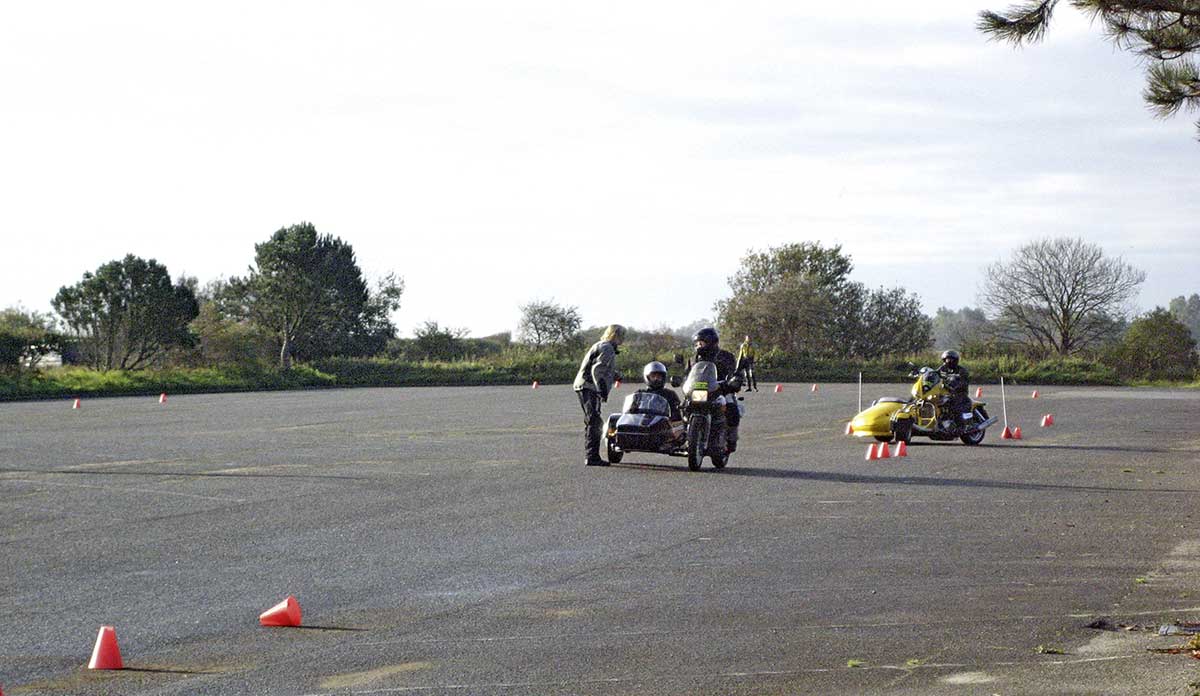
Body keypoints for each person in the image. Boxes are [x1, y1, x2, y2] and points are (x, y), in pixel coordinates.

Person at [573, 324, 626, 466]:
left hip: (585, 385)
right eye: (622, 336)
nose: (623, 340)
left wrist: (616, 375)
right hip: (588, 386)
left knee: (593, 420)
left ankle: (592, 455)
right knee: (595, 421)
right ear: (616, 335)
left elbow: (600, 367)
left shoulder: (603, 346)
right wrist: (601, 389)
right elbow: (597, 370)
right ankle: (592, 457)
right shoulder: (607, 348)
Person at [691, 327, 745, 453]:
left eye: (701, 342)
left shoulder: (726, 356)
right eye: (697, 343)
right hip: (699, 390)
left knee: (731, 408)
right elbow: (688, 374)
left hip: (721, 389)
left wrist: (735, 380)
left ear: (711, 342)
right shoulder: (695, 359)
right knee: (682, 406)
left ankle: (731, 439)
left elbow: (734, 372)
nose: (699, 345)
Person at [937, 349, 973, 434]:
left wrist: (956, 385)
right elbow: (934, 374)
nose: (948, 361)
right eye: (947, 359)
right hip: (945, 392)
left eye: (951, 359)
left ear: (955, 360)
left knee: (953, 405)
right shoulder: (942, 368)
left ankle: (961, 426)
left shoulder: (961, 370)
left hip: (959, 393)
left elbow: (964, 381)